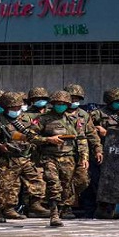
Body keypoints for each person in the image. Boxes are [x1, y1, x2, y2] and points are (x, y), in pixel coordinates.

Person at [0, 92, 49, 223]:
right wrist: (1, 147)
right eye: (12, 108)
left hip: (25, 156)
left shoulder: (26, 119)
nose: (15, 110)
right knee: (3, 186)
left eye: (17, 107)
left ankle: (35, 204)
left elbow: (33, 135)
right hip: (8, 158)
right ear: (5, 107)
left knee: (37, 180)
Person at [31, 90, 89, 227]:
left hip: (68, 157)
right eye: (58, 103)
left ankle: (63, 208)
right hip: (49, 157)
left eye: (63, 104)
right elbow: (31, 137)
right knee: (53, 184)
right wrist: (47, 139)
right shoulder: (43, 119)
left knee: (66, 186)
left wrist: (84, 157)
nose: (60, 106)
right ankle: (54, 213)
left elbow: (81, 139)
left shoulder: (74, 120)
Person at [90, 87, 119, 218]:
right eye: (117, 101)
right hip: (103, 152)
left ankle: (115, 209)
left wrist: (108, 133)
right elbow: (89, 130)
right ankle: (102, 209)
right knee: (100, 181)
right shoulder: (97, 114)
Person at [64, 84, 102, 218]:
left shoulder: (83, 115)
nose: (74, 101)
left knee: (83, 180)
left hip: (81, 153)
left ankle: (70, 200)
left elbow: (92, 134)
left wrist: (98, 149)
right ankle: (65, 207)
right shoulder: (58, 113)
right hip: (62, 153)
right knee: (64, 180)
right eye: (72, 98)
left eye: (76, 99)